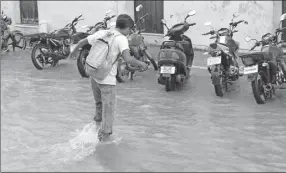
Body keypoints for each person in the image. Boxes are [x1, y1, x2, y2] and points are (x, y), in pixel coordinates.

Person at [68, 14, 148, 141]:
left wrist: (73, 52)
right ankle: (105, 138)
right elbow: (128, 58)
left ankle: (96, 127)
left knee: (99, 104)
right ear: (126, 28)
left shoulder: (103, 33)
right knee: (109, 108)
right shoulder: (121, 39)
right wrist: (141, 63)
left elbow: (82, 41)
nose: (129, 32)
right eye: (130, 29)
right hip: (107, 79)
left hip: (94, 75)